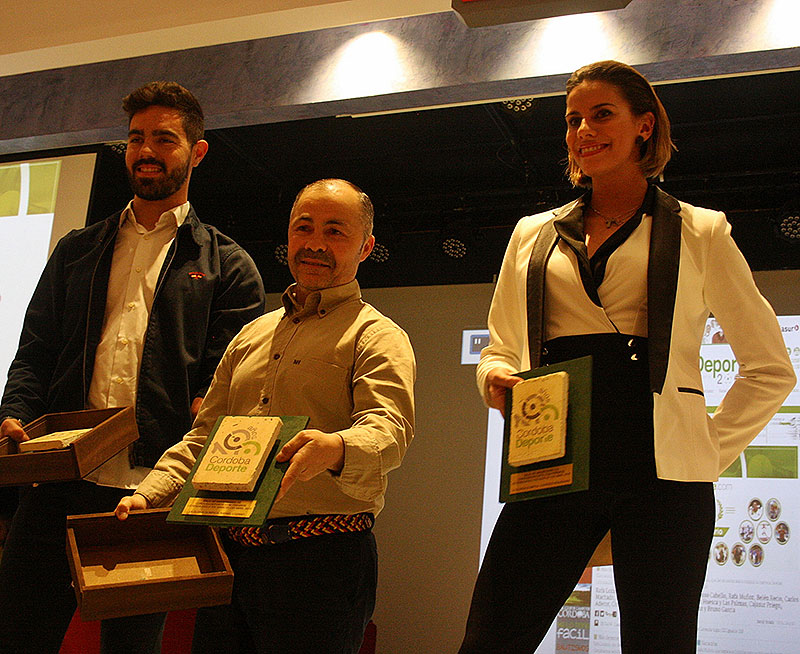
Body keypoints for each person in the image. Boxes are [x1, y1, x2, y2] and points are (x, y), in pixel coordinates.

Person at [459, 61, 795, 653]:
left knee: (660, 643)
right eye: (572, 120)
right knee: (491, 637)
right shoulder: (532, 234)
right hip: (555, 458)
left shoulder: (701, 231)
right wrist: (494, 374)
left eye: (601, 114)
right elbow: (501, 344)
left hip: (665, 475)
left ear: (645, 126)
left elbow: (771, 367)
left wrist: (706, 451)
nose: (582, 129)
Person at [0, 81, 265, 654]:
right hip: (55, 484)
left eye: (164, 139)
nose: (146, 150)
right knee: (17, 636)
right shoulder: (76, 249)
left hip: (147, 496)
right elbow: (35, 351)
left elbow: (230, 390)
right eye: (136, 138)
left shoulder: (230, 268)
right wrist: (15, 415)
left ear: (196, 153)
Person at [116, 178, 416, 654]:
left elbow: (390, 431)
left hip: (321, 561)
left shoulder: (377, 335)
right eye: (304, 228)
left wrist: (335, 447)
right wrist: (147, 495)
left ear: (366, 247)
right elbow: (204, 438)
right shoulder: (250, 335)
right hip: (228, 557)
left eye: (335, 231)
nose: (315, 243)